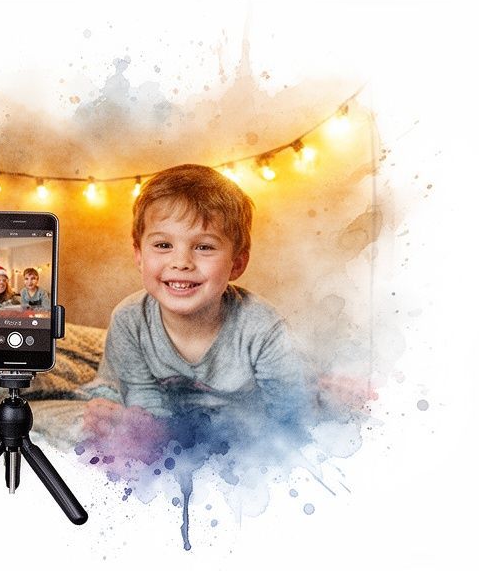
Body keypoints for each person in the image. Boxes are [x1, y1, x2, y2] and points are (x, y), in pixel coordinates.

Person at [97, 164, 316, 427]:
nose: (181, 262)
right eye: (163, 245)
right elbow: (144, 405)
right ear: (139, 256)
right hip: (169, 432)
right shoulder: (130, 320)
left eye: (204, 247)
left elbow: (291, 414)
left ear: (236, 264)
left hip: (246, 435)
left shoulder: (263, 327)